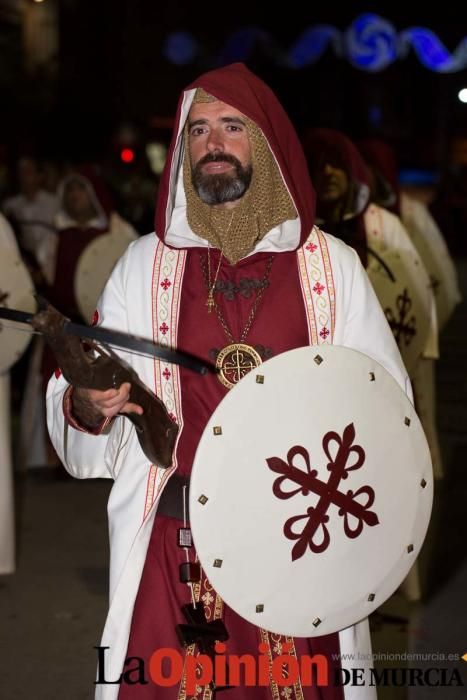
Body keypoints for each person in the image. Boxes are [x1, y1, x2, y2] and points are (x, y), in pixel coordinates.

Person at [47, 64, 410, 700]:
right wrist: (88, 399)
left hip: (299, 551)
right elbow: (76, 386)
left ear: (266, 143)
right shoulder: (143, 266)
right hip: (175, 547)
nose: (213, 143)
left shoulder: (332, 268)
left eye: (232, 126)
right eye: (199, 129)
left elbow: (388, 414)